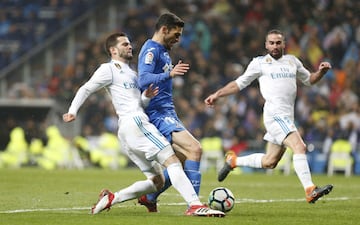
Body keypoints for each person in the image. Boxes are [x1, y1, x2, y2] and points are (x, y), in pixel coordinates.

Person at [62, 32, 224, 217]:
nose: (129, 46)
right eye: (124, 44)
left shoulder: (132, 74)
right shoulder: (109, 69)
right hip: (135, 123)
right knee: (173, 161)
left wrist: (145, 97)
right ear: (113, 50)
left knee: (157, 181)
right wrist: (73, 111)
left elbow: (138, 103)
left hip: (129, 129)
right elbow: (86, 88)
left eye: (129, 43)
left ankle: (112, 198)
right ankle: (194, 205)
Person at [204, 29, 333, 204]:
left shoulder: (292, 61)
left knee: (269, 162)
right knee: (299, 146)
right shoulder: (259, 63)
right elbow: (239, 83)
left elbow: (309, 79)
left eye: (278, 42)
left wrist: (321, 72)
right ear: (266, 45)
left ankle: (233, 161)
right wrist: (218, 94)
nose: (274, 46)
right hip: (274, 115)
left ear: (284, 44)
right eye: (271, 43)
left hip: (287, 116)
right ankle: (310, 190)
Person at [137, 12, 203, 212]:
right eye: (176, 34)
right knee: (195, 149)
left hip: (168, 112)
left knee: (181, 161)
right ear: (164, 29)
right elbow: (143, 80)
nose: (178, 39)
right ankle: (195, 205)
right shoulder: (151, 50)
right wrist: (169, 73)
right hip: (157, 113)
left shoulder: (163, 51)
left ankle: (149, 196)